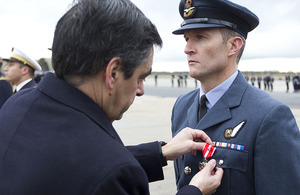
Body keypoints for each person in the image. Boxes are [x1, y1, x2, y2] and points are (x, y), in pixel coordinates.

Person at [0, 0, 223, 194]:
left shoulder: (16, 106)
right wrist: (195, 191)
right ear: (113, 73)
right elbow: (102, 167)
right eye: (139, 77)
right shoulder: (114, 173)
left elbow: (78, 161)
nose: (140, 90)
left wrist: (161, 153)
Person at [171, 0, 300, 194]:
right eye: (187, 38)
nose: (187, 48)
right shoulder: (182, 105)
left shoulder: (270, 116)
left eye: (200, 37)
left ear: (233, 46)